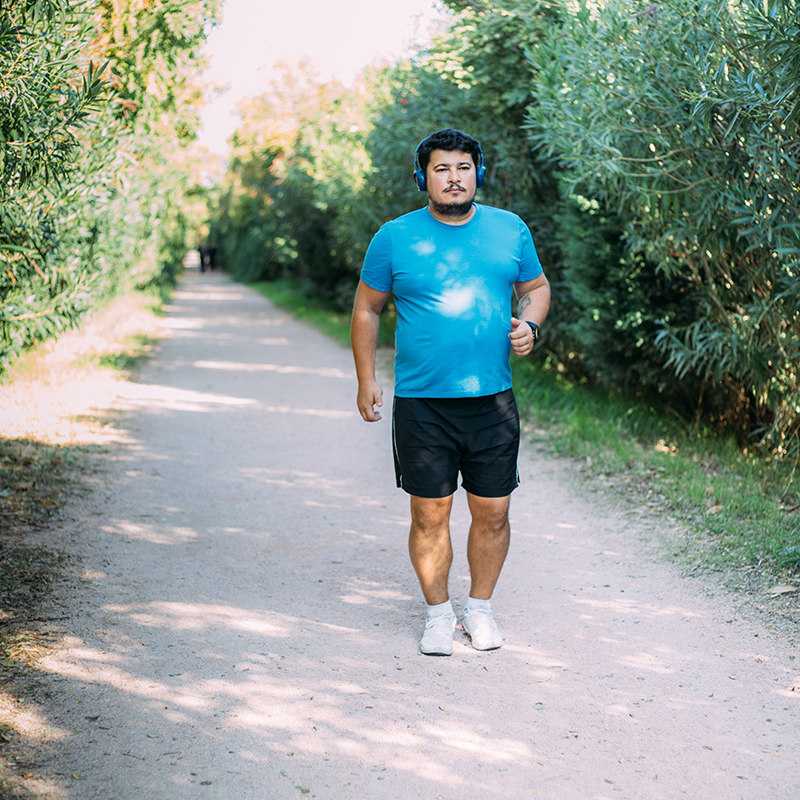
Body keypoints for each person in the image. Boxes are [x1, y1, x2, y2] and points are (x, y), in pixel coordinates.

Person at [350, 128, 550, 656]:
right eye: (442, 169)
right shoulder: (393, 237)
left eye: (463, 167)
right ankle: (438, 615)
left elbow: (536, 289)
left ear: (477, 173)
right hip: (422, 404)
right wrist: (367, 379)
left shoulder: (510, 230)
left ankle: (479, 609)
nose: (454, 178)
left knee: (493, 512)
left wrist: (530, 325)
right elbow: (367, 307)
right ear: (424, 178)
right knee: (429, 514)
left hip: (492, 401)